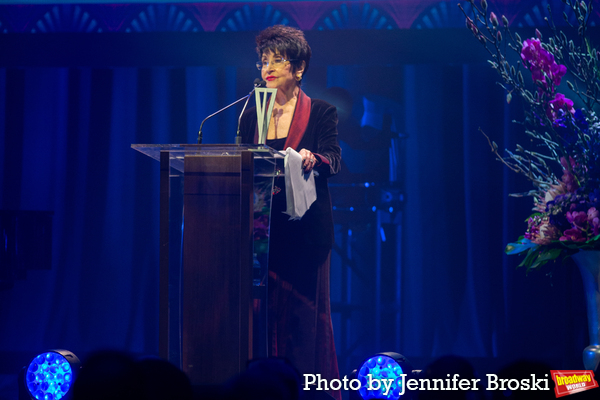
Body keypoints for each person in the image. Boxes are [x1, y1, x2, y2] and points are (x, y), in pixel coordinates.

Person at [239, 25, 342, 400]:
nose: (268, 67)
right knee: (260, 314)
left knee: (303, 318)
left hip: (304, 231)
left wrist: (315, 159)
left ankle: (309, 391)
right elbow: (242, 163)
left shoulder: (321, 111)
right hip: (261, 229)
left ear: (298, 69)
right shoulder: (252, 112)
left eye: (277, 60)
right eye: (264, 59)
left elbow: (335, 161)